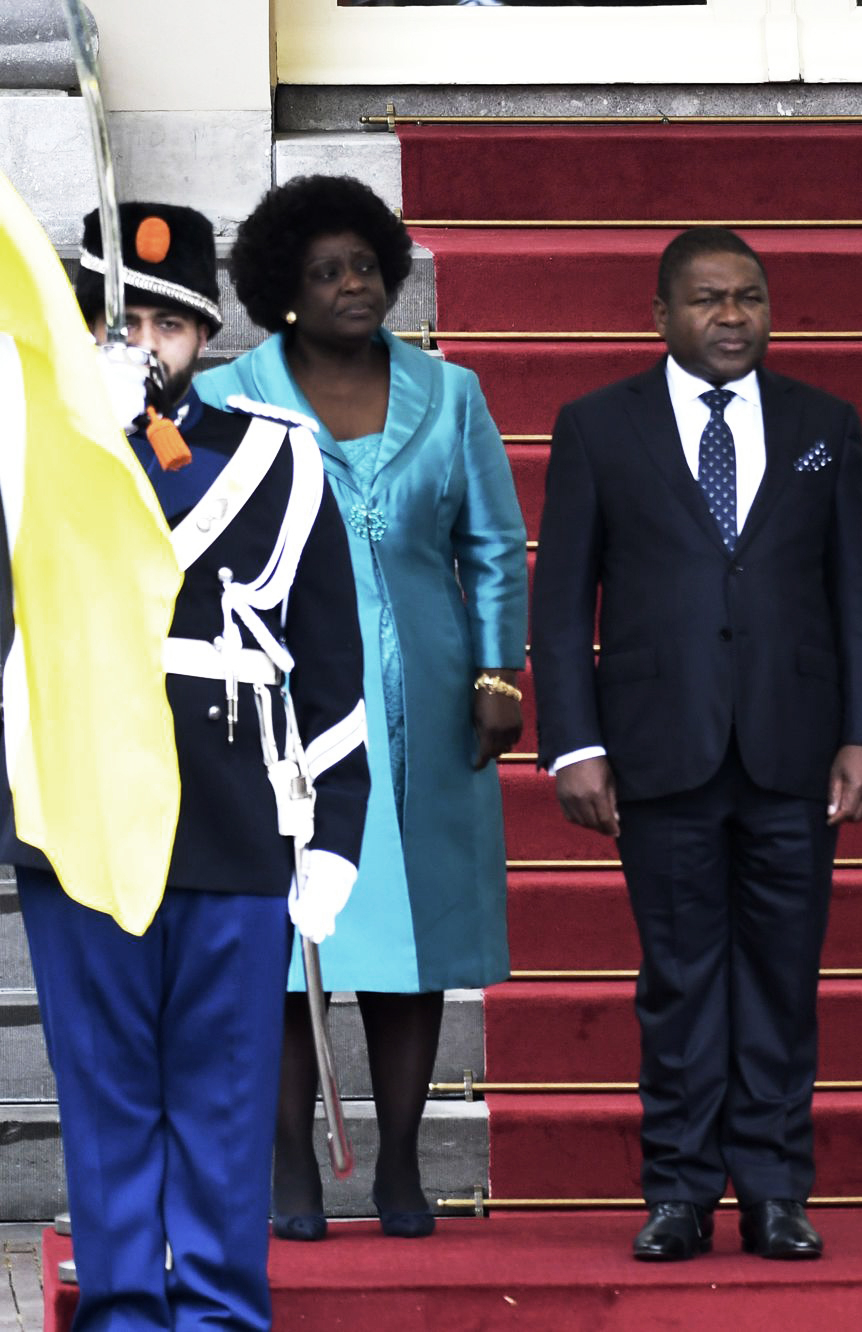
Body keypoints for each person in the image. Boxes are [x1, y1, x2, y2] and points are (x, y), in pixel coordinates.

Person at [2, 202, 367, 1330]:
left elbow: (330, 664)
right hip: (83, 806)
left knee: (220, 1099)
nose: (140, 347)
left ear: (204, 338)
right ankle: (119, 1309)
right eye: (115, 323)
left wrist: (337, 835)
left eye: (164, 324)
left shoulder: (279, 461)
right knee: (106, 1095)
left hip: (232, 811)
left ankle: (215, 1310)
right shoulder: (30, 463)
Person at [531, 226, 862, 1263]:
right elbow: (561, 603)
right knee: (680, 979)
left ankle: (776, 1189)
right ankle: (679, 1191)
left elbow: (859, 593)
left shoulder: (823, 423)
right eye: (706, 299)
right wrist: (573, 744)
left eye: (748, 296)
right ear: (661, 315)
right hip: (658, 749)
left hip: (795, 749)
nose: (731, 315)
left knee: (783, 977)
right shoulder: (599, 426)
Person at [197, 174, 528, 1239]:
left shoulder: (454, 392)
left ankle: (396, 1165)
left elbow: (490, 544)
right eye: (326, 271)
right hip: (282, 694)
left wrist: (495, 673)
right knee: (291, 936)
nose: (354, 284)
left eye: (366, 265)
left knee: (415, 940)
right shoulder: (229, 396)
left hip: (429, 698)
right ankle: (289, 1165)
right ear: (281, 291)